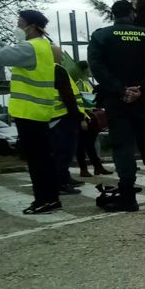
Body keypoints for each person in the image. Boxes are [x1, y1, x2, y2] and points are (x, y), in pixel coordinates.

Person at [0, 10, 65, 213]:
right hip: (39, 111)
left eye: (20, 23)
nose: (17, 27)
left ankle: (45, 200)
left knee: (37, 161)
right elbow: (9, 51)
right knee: (43, 159)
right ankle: (51, 198)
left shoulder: (30, 48)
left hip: (29, 113)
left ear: (32, 27)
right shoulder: (41, 46)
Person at [87, 0, 145, 211]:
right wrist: (141, 88)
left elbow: (97, 68)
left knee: (122, 146)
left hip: (117, 101)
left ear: (113, 14)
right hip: (144, 100)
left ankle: (128, 197)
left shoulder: (101, 36)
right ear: (132, 14)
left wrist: (121, 90)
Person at [51, 63, 86, 194]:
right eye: (59, 55)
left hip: (57, 117)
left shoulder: (54, 68)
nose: (61, 58)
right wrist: (77, 116)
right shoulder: (56, 69)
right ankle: (61, 183)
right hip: (62, 116)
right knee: (64, 152)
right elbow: (67, 94)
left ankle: (64, 177)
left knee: (64, 152)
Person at [73, 61, 112, 178]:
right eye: (88, 69)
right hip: (83, 116)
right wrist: (82, 118)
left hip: (90, 115)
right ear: (84, 70)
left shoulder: (84, 82)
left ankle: (97, 167)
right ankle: (85, 169)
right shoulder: (78, 83)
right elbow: (79, 101)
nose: (90, 71)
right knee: (82, 144)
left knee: (89, 144)